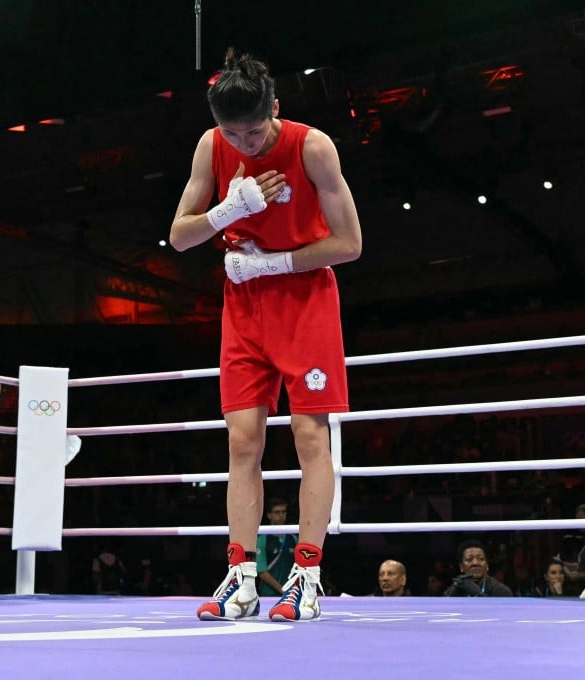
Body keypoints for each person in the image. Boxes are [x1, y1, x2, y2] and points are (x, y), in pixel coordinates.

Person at [170, 48, 361, 623]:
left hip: (303, 298)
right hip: (244, 306)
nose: (246, 143)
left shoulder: (312, 146)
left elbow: (349, 244)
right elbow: (179, 237)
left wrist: (273, 265)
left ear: (275, 107)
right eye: (235, 132)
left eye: (255, 130)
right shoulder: (212, 145)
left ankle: (306, 576)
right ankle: (241, 576)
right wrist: (228, 211)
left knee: (309, 436)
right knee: (242, 442)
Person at [255, 497, 298, 597]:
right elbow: (261, 571)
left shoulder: (293, 538)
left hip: (291, 593)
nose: (281, 515)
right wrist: (283, 591)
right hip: (268, 594)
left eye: (284, 512)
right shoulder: (262, 538)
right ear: (269, 515)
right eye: (277, 512)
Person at [443, 539, 513, 597]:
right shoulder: (453, 592)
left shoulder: (502, 592)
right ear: (461, 566)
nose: (475, 563)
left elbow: (496, 613)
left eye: (481, 559)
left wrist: (478, 594)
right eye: (469, 559)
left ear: (487, 565)